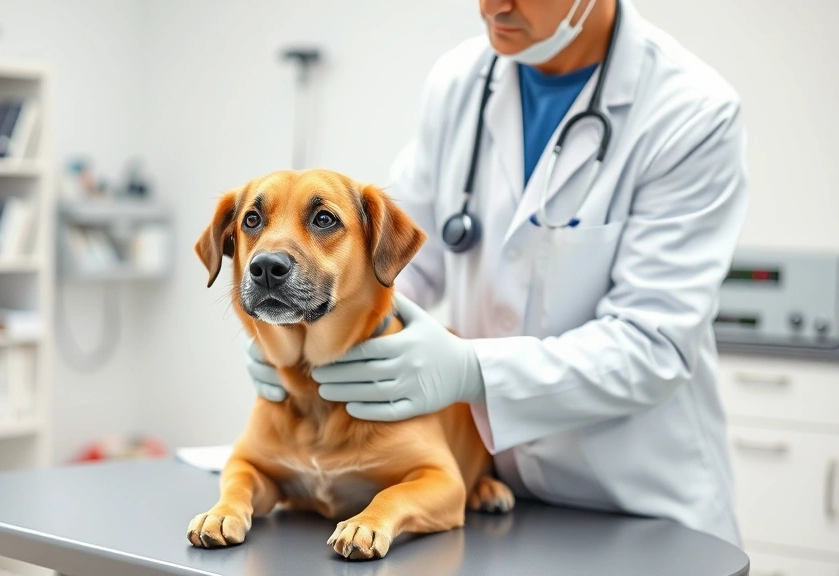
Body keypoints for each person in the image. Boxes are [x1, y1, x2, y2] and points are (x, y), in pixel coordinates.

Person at [247, 0, 747, 545]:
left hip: (639, 505)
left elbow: (655, 344)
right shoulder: (461, 82)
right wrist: (316, 326)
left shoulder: (692, 111)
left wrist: (472, 370)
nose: (493, 7)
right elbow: (392, 268)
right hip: (500, 498)